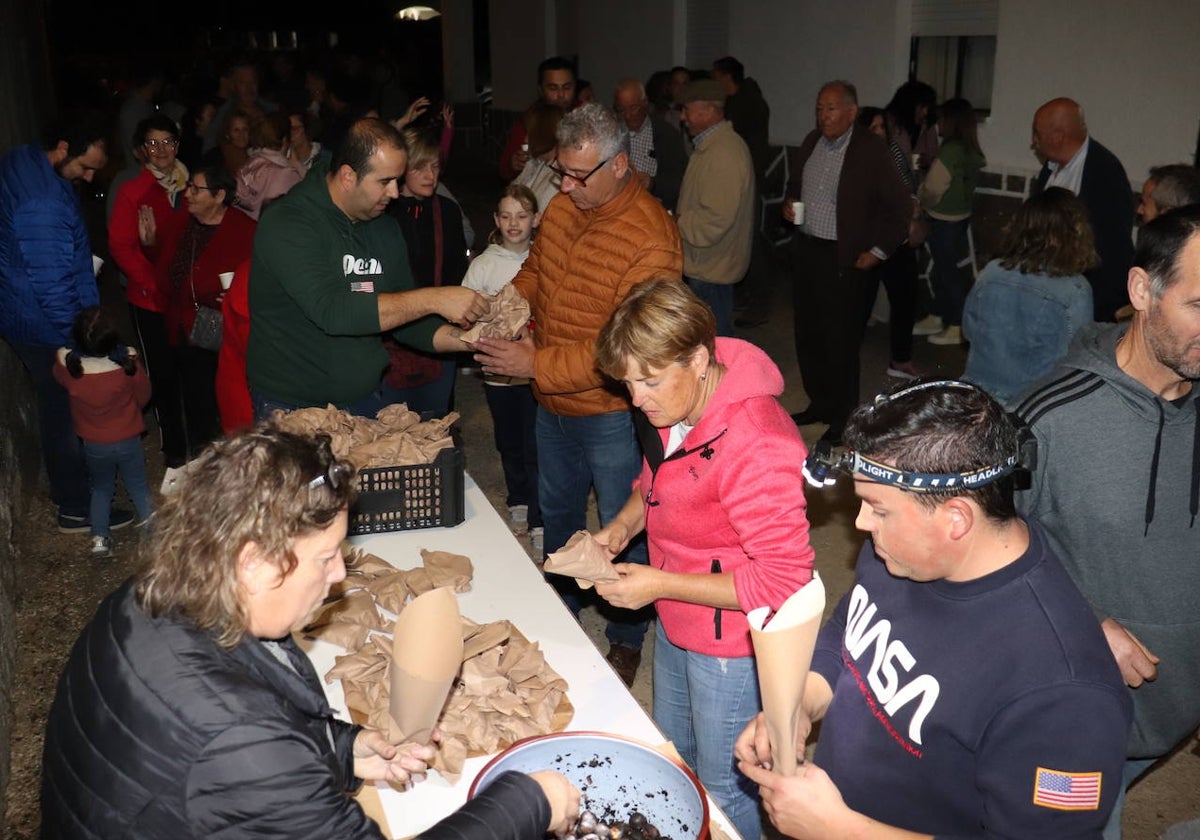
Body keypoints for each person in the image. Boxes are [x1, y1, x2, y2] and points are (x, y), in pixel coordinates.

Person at [40, 426, 580, 839]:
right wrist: (529, 802)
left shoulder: (143, 600)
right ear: (254, 564)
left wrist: (342, 750)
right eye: (325, 558)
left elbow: (222, 755)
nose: (341, 574)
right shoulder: (240, 742)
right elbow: (242, 746)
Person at [737, 380, 1131, 839]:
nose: (861, 524)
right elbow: (851, 627)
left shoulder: (1065, 692)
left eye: (878, 509)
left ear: (956, 519)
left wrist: (839, 829)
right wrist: (804, 700)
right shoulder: (903, 556)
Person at [590, 279, 815, 840]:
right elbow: (653, 480)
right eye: (626, 383)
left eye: (648, 381)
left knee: (724, 787)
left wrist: (659, 583)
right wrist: (621, 526)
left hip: (732, 642)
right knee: (675, 755)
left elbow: (784, 579)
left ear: (697, 357)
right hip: (677, 615)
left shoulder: (759, 442)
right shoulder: (678, 400)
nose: (637, 399)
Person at [473, 103, 683, 687]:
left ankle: (626, 634)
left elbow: (629, 351)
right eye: (561, 171)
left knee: (624, 527)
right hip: (553, 405)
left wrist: (534, 362)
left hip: (611, 414)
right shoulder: (566, 206)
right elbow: (537, 272)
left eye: (577, 174)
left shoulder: (651, 238)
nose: (562, 186)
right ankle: (561, 606)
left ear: (618, 165)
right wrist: (509, 307)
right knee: (559, 515)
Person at [1012, 205, 1200, 839]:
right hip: (1076, 722)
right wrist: (1081, 623)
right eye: (1199, 306)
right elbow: (970, 561)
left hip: (1177, 714)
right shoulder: (1046, 419)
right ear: (1142, 290)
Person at [246, 117, 486, 417]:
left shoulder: (383, 227)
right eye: (385, 182)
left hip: (366, 399)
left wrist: (470, 340)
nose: (395, 193)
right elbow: (333, 310)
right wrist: (436, 298)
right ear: (348, 176)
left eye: (398, 181)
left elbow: (407, 318)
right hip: (292, 405)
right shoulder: (288, 223)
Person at [0, 114, 127, 533]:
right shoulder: (44, 203)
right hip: (41, 322)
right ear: (59, 148)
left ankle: (70, 491)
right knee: (64, 410)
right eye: (83, 167)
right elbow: (53, 286)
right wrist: (80, 340)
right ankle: (76, 507)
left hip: (20, 308)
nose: (89, 177)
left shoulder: (23, 160)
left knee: (56, 406)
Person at [784, 80, 910, 445]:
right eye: (820, 107)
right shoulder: (811, 142)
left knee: (840, 339)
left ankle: (843, 416)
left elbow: (900, 206)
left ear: (852, 112)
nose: (824, 115)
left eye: (832, 108)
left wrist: (880, 251)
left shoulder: (870, 149)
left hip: (845, 257)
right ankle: (820, 403)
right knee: (809, 334)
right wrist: (790, 204)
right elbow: (796, 185)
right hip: (808, 249)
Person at [108, 113, 191, 484]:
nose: (161, 150)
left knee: (192, 370)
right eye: (153, 143)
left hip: (188, 299)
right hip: (151, 300)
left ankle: (200, 443)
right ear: (142, 150)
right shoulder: (132, 190)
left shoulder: (191, 187)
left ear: (178, 145)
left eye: (168, 142)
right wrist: (155, 283)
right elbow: (121, 248)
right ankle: (175, 451)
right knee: (163, 374)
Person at [159, 165, 257, 470]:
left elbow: (261, 279)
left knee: (228, 403)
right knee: (196, 401)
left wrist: (236, 296)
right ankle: (206, 469)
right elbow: (165, 268)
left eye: (196, 189)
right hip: (185, 330)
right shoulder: (181, 224)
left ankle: (235, 465)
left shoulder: (245, 230)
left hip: (227, 333)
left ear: (219, 195)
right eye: (189, 187)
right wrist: (150, 242)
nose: (187, 194)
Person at [462, 184, 544, 548]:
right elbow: (465, 311)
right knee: (509, 441)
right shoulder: (484, 264)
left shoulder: (544, 259)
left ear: (535, 220)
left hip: (533, 373)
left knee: (536, 444)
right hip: (498, 378)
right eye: (507, 216)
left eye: (522, 216)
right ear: (496, 220)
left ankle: (540, 514)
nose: (514, 223)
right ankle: (518, 500)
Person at [962, 187, 1096, 402]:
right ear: (1076, 234)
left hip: (978, 396)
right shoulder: (1076, 289)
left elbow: (969, 330)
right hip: (1033, 403)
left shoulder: (991, 272)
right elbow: (1076, 356)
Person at [382, 127, 469, 417]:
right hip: (391, 335)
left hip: (439, 329)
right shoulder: (384, 213)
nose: (430, 175)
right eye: (420, 167)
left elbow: (457, 271)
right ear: (402, 170)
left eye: (434, 166)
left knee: (437, 422)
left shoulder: (446, 210)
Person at [53, 306, 152, 559]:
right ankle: (153, 535)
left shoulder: (70, 370)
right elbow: (144, 394)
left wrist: (65, 353)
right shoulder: (127, 365)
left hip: (94, 443)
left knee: (101, 488)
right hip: (128, 437)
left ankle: (99, 538)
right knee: (138, 486)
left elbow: (58, 371)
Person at [1030, 97, 1135, 322]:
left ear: (1058, 136)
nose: (1033, 141)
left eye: (1037, 134)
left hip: (1090, 292)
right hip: (1049, 284)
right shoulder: (1050, 168)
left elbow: (1111, 242)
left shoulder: (1105, 171)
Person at [675, 79, 755, 337]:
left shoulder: (724, 153)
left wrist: (676, 221)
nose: (682, 117)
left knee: (716, 344)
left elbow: (714, 220)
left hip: (711, 269)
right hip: (708, 265)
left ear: (708, 110)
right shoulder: (711, 147)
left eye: (687, 109)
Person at [857, 106, 921, 380]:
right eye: (873, 128)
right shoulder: (856, 159)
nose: (879, 133)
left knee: (905, 298)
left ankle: (901, 359)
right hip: (867, 240)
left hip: (895, 239)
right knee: (858, 302)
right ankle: (844, 357)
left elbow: (908, 190)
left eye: (882, 127)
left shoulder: (893, 154)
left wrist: (912, 208)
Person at [918, 97, 986, 346]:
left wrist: (921, 198)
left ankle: (956, 325)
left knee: (947, 273)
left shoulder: (950, 150)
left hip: (943, 218)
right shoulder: (970, 150)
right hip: (960, 217)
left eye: (942, 119)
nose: (939, 124)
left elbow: (934, 188)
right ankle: (938, 315)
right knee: (945, 269)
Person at [613, 78, 686, 212]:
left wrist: (653, 183)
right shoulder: (611, 134)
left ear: (645, 104)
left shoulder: (666, 135)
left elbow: (681, 181)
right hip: (617, 209)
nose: (628, 115)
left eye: (633, 108)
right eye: (622, 110)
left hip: (653, 210)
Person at [499, 56, 577, 181]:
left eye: (567, 87)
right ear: (540, 90)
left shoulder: (585, 115)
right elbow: (504, 170)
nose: (561, 95)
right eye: (553, 88)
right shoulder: (530, 120)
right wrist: (513, 164)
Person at [235, 111, 304, 220]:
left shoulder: (250, 164)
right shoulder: (285, 174)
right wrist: (296, 164)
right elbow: (305, 201)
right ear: (285, 140)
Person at [202, 58, 277, 153]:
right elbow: (208, 150)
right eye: (243, 83)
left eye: (253, 82)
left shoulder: (273, 111)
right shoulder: (222, 116)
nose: (249, 88)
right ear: (233, 86)